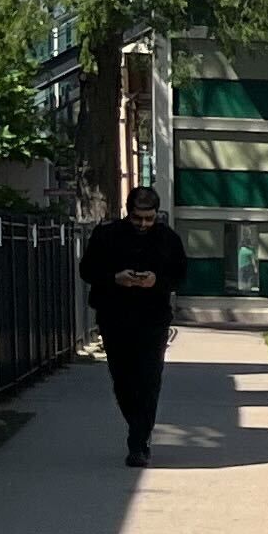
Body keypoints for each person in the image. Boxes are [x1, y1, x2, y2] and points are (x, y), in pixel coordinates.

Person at [78, 186, 190, 467]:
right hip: (114, 315)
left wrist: (157, 280)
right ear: (129, 213)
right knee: (123, 380)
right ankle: (137, 427)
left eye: (149, 218)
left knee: (149, 378)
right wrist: (115, 278)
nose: (143, 224)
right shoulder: (106, 235)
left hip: (153, 318)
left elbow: (180, 275)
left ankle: (138, 442)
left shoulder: (168, 239)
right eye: (138, 218)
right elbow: (87, 270)